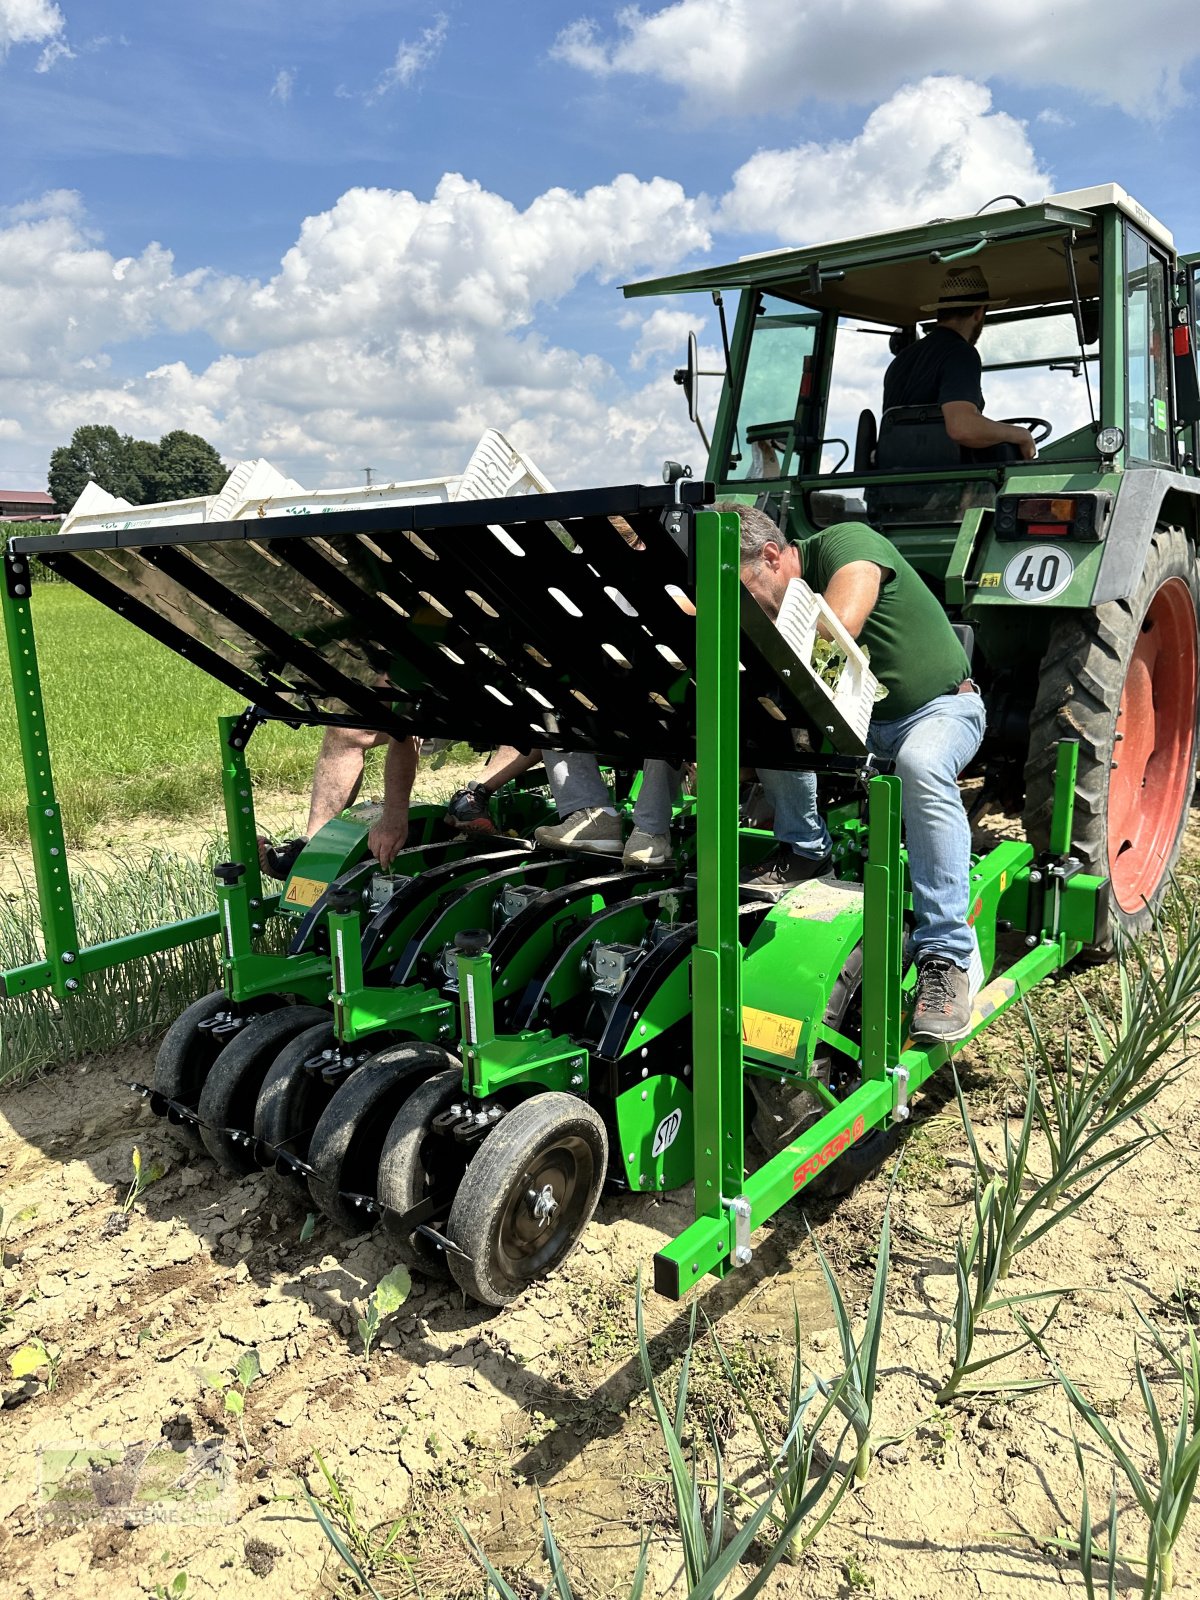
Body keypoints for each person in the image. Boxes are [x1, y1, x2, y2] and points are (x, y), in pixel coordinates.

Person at [733, 501, 985, 1044]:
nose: (742, 610)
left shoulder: (846, 543)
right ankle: (804, 850)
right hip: (859, 724)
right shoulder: (769, 594)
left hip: (938, 711)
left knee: (920, 764)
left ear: (774, 557)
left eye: (743, 591)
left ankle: (948, 957)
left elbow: (838, 631)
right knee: (763, 718)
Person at [882, 264, 1037, 464]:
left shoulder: (902, 360)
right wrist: (1021, 434)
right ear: (979, 313)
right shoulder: (961, 353)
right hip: (946, 487)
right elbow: (962, 427)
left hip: (892, 485)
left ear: (942, 311)